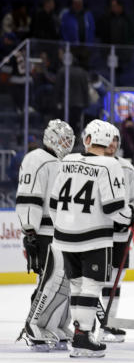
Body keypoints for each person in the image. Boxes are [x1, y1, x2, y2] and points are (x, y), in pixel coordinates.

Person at [50, 119, 134, 357]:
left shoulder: (68, 160)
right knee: (91, 286)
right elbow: (117, 210)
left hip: (64, 235)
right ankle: (83, 336)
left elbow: (53, 204)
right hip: (95, 237)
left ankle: (80, 334)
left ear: (88, 139)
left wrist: (65, 223)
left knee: (76, 285)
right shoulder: (109, 165)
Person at [15, 120, 75, 350]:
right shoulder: (36, 159)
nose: (65, 143)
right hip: (44, 231)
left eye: (68, 139)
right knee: (50, 280)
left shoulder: (61, 162)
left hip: (61, 230)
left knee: (64, 282)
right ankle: (33, 325)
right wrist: (30, 230)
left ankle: (55, 324)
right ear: (49, 137)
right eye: (61, 138)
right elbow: (29, 196)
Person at [101, 123, 134, 343]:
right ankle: (85, 325)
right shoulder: (93, 165)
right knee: (94, 282)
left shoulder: (127, 167)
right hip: (97, 233)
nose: (112, 144)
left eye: (115, 140)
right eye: (108, 140)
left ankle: (108, 325)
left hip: (120, 234)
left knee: (114, 282)